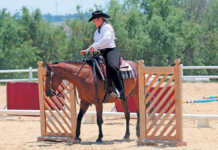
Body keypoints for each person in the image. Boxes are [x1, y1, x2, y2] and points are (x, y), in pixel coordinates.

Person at [80, 10, 125, 101]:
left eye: (94, 20)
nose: (93, 22)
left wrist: (94, 46)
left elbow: (106, 40)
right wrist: (87, 50)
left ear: (100, 19)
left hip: (110, 51)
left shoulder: (107, 27)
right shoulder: (96, 32)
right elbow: (96, 44)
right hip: (100, 53)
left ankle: (121, 91)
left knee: (112, 67)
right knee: (88, 66)